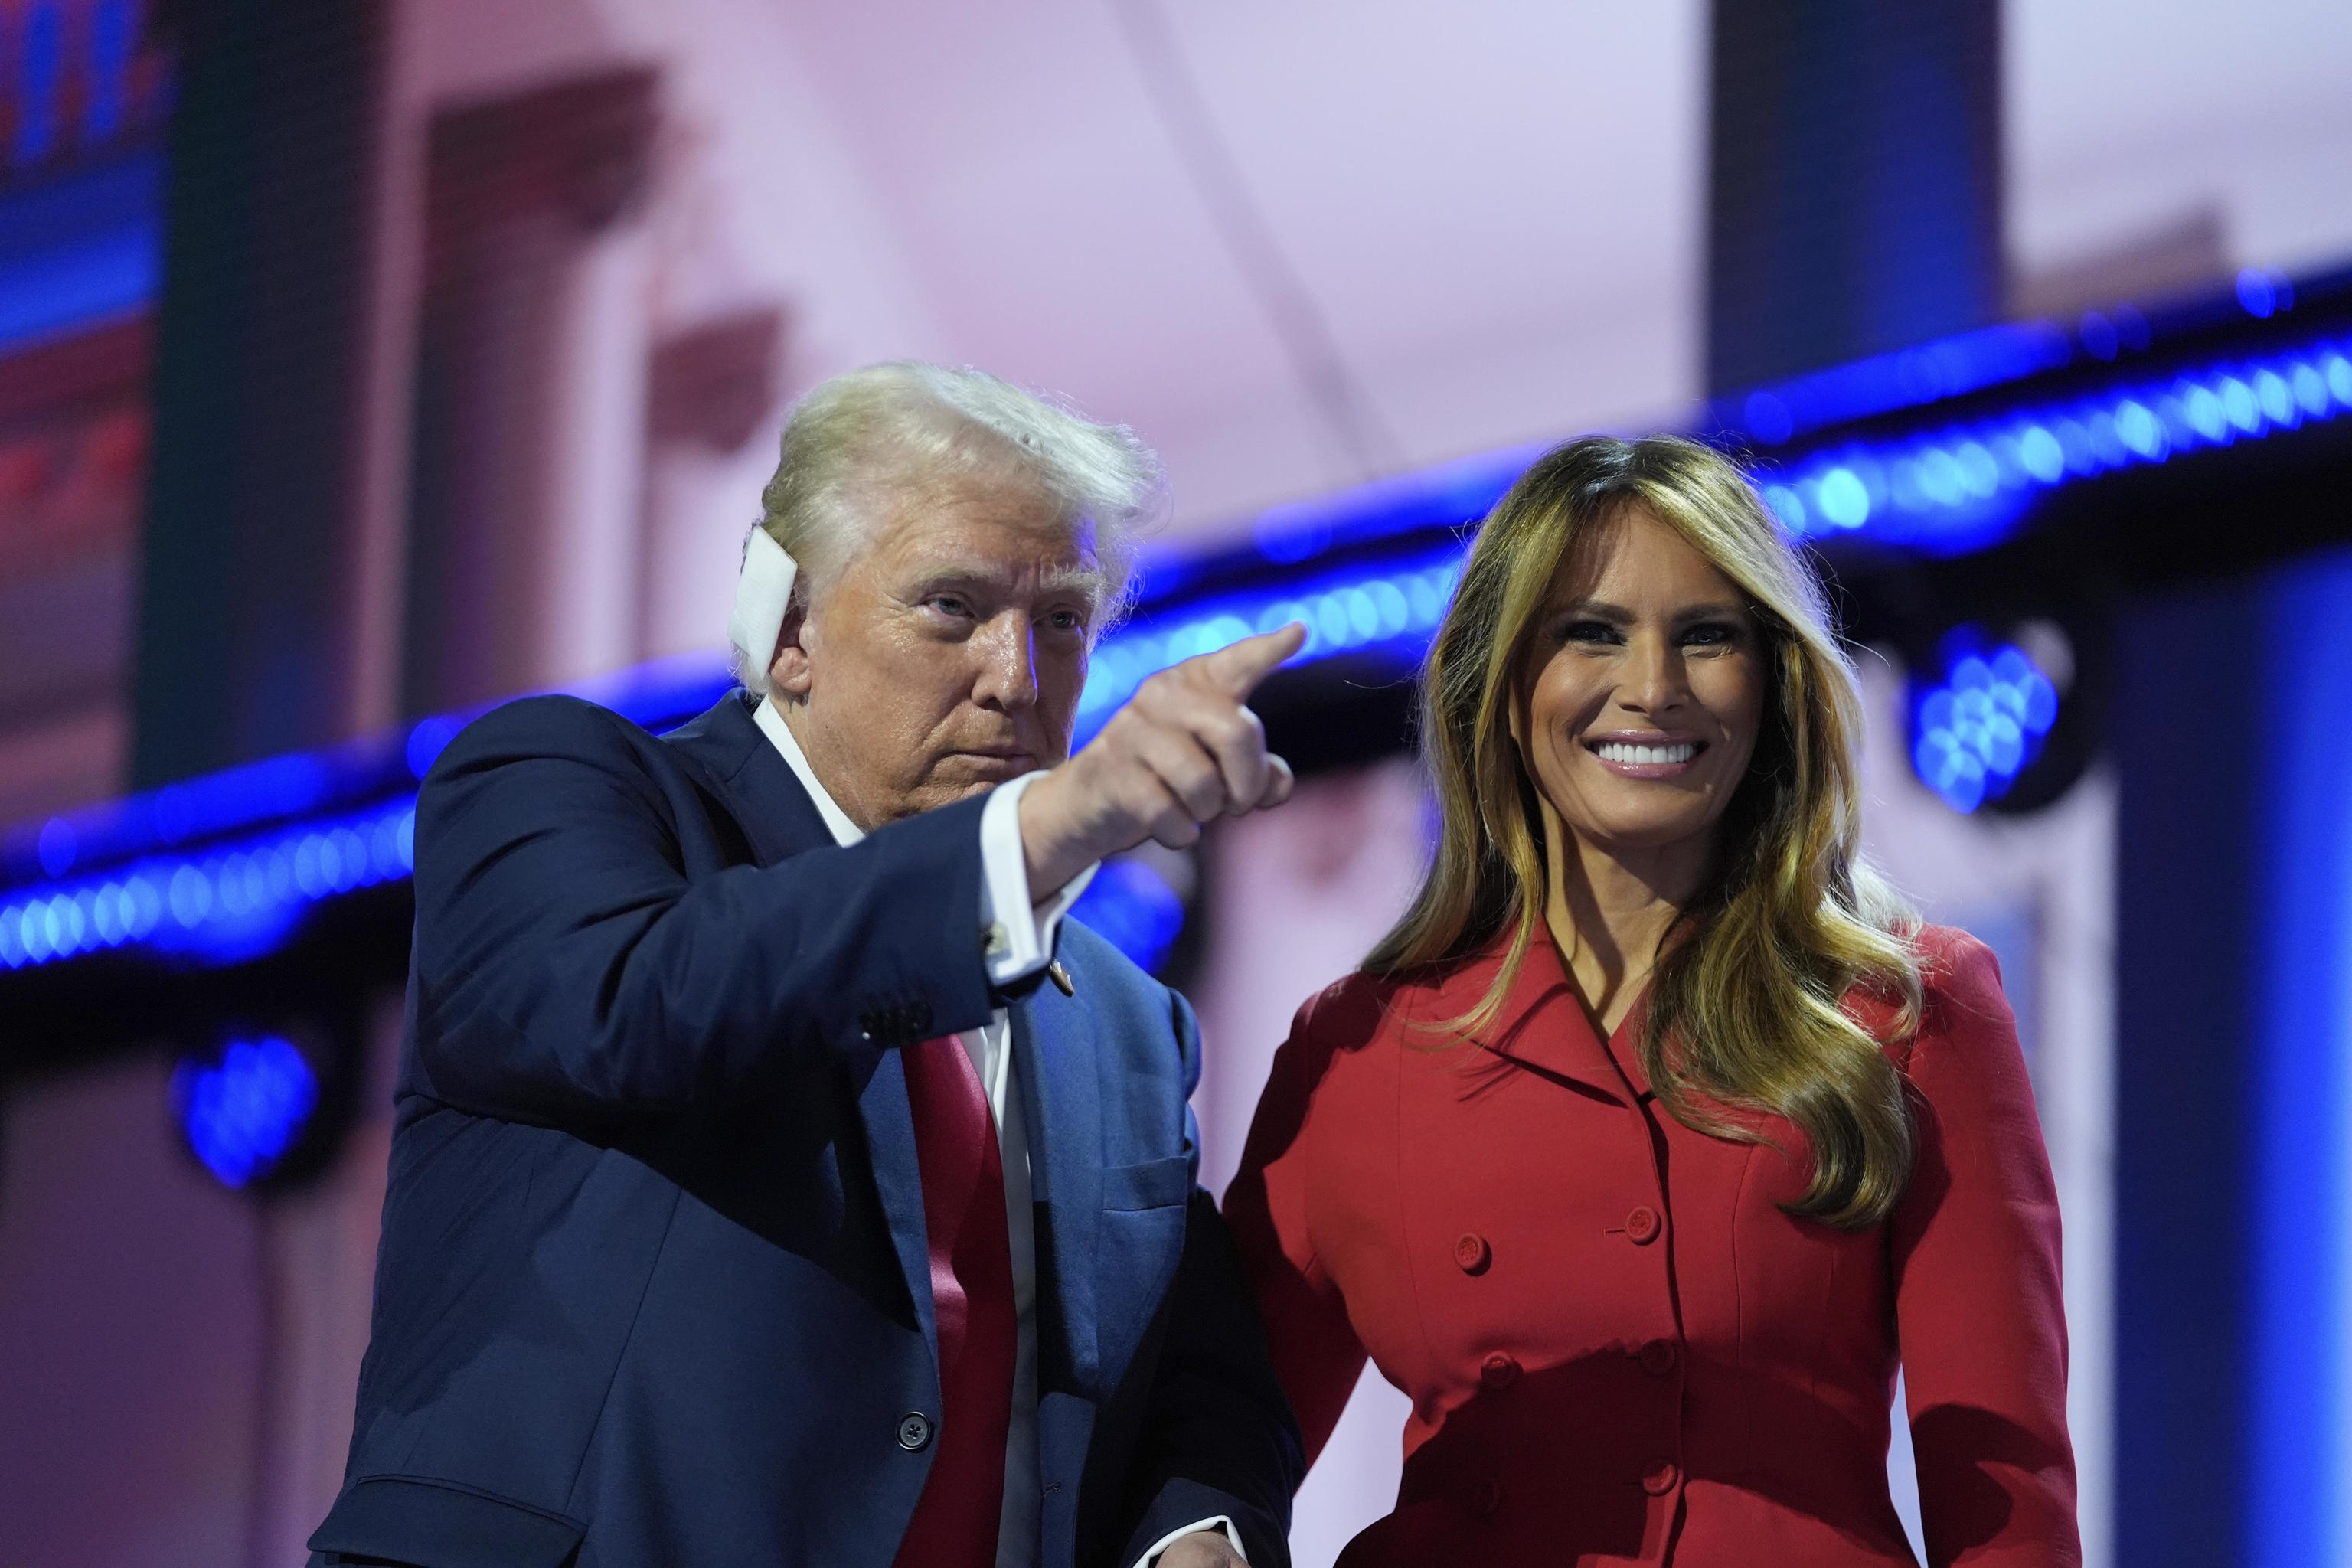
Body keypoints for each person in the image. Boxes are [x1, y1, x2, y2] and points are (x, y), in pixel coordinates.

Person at [311, 364, 1303, 1568]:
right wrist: (1039, 835)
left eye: (1061, 620)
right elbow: (654, 999)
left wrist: (1193, 1538)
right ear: (789, 633)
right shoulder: (563, 790)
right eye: (951, 606)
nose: (1016, 679)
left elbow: (1195, 1376)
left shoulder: (1132, 1025)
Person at [1223, 436, 2078, 1566]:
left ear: (1772, 681)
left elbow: (2006, 1502)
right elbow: (1212, 1447)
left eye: (1708, 635)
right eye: (1590, 631)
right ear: (1502, 683)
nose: (1654, 687)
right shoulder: (1359, 1049)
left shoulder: (1907, 1012)